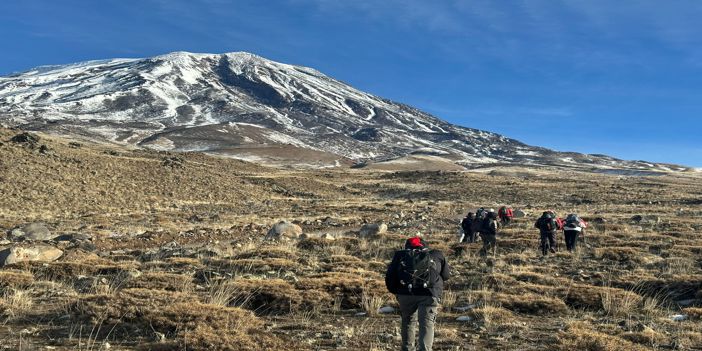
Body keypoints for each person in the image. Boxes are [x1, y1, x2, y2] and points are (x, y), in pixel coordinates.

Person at [385, 236, 450, 351]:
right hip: (429, 294)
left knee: (408, 321)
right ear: (424, 245)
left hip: (405, 294)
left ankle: (407, 348)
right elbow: (446, 276)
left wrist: (398, 292)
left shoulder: (400, 255)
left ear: (407, 246)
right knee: (427, 324)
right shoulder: (436, 254)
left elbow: (390, 277)